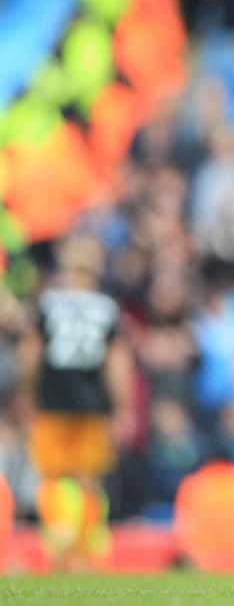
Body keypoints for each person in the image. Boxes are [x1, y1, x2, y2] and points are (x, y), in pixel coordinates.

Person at [17, 236, 132, 569]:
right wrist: (121, 408)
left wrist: (27, 392)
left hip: (53, 401)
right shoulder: (106, 308)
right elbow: (117, 363)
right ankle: (88, 548)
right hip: (93, 404)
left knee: (53, 476)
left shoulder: (48, 304)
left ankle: (59, 545)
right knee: (90, 479)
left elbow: (30, 353)